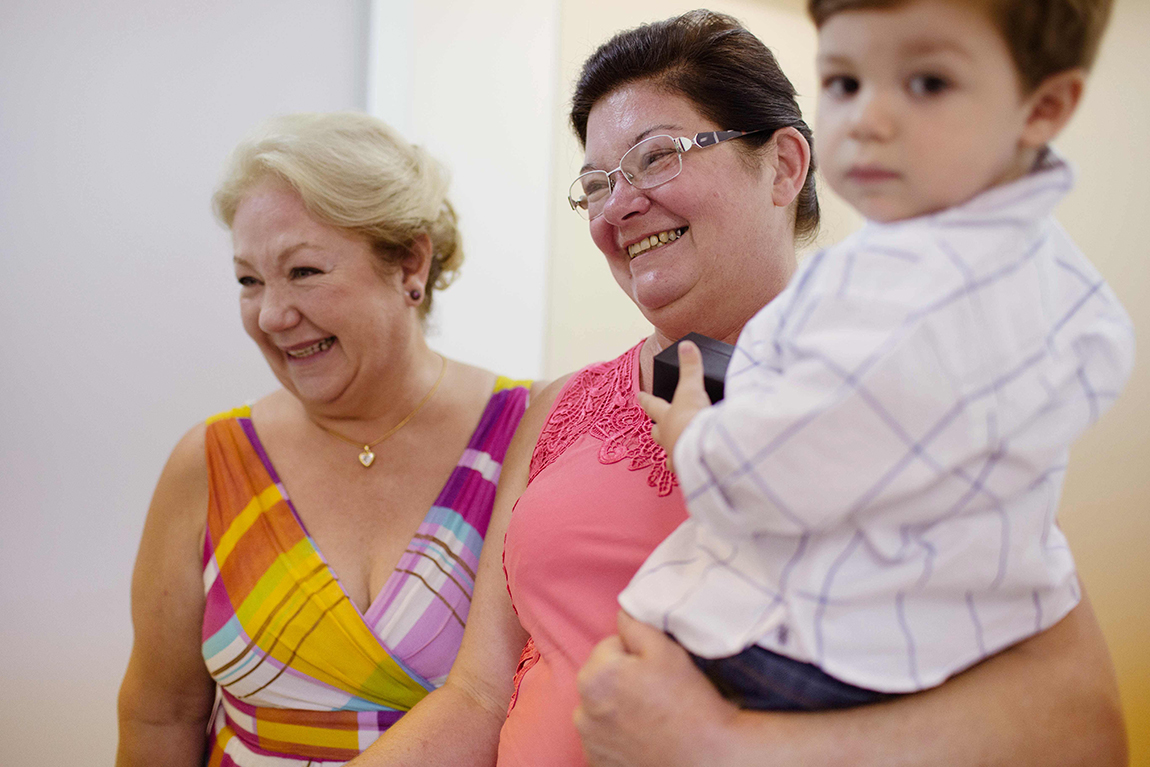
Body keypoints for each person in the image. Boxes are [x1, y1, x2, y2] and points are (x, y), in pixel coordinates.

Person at [347, 11, 1127, 767]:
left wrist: (722, 749)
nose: (619, 204)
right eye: (596, 183)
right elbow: (480, 696)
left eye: (657, 157)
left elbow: (1079, 726)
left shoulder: (907, 390)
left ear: (785, 165)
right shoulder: (556, 405)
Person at [626, 0, 1134, 712]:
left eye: (926, 83)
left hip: (839, 647)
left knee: (642, 633)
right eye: (844, 83)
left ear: (1042, 107)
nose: (866, 119)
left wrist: (693, 436)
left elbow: (770, 470)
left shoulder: (916, 291)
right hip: (960, 623)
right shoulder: (1049, 269)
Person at [115, 112, 534, 766]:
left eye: (304, 271)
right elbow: (158, 713)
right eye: (248, 280)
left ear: (410, 262)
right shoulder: (208, 462)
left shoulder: (530, 435)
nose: (272, 315)